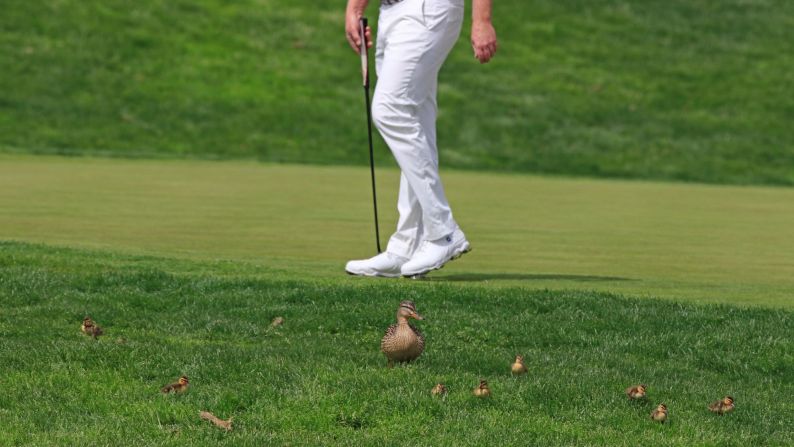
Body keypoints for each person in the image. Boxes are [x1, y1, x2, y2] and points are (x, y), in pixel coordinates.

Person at [344, 0, 497, 277]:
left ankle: (444, 232)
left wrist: (482, 20)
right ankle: (405, 246)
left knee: (390, 110)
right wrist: (355, 9)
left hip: (429, 9)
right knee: (417, 120)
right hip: (390, 13)